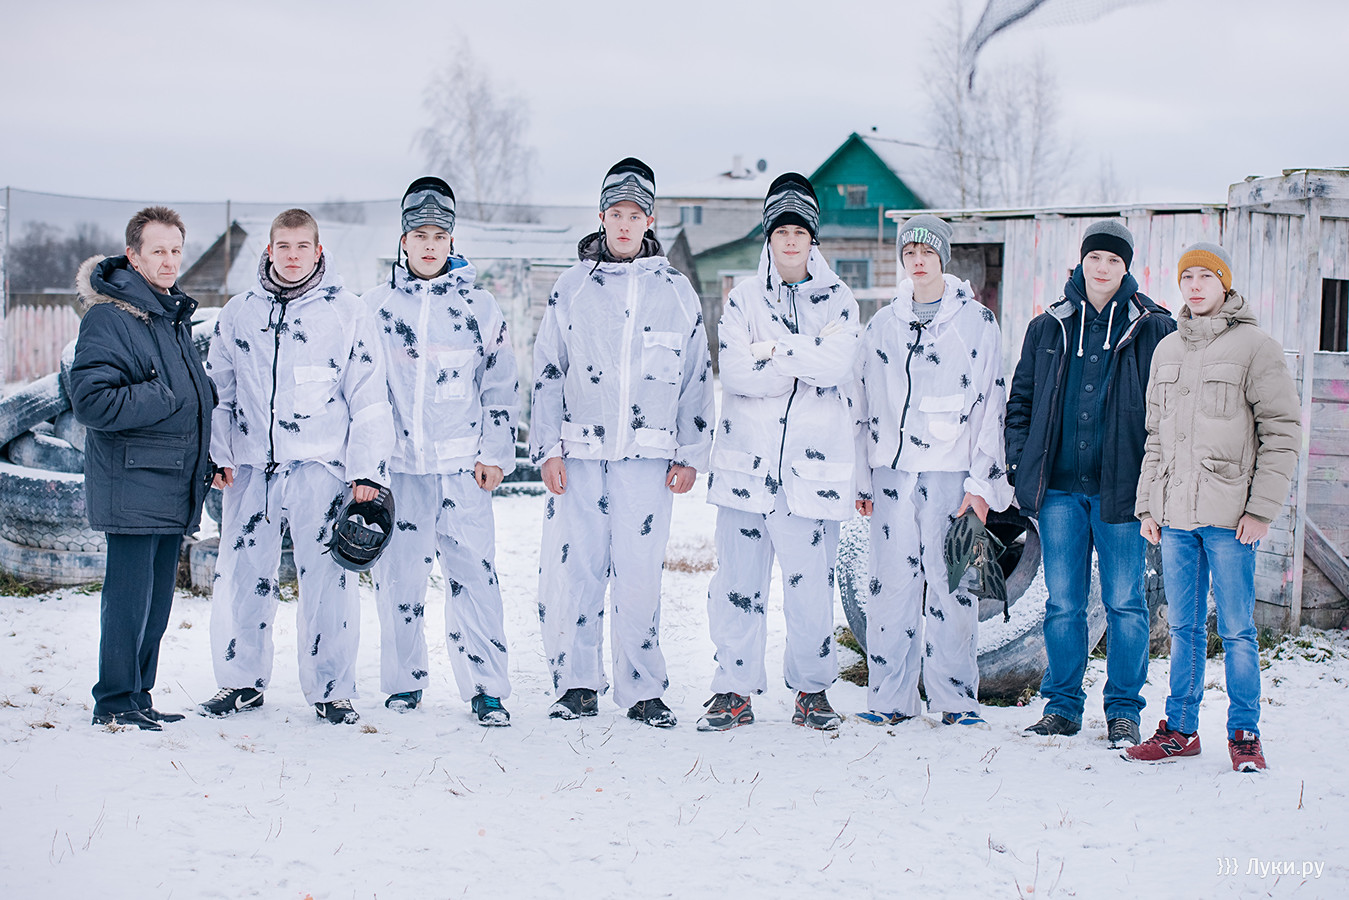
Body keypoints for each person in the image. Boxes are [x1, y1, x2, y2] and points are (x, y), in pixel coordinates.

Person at [531, 157, 714, 727]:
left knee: (639, 576)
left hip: (648, 459)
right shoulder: (572, 288)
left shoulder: (675, 291)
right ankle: (578, 683)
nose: (626, 224)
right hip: (581, 455)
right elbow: (548, 370)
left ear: (650, 219)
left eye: (636, 215)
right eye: (617, 214)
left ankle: (643, 689)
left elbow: (696, 373)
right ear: (602, 217)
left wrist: (690, 453)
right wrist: (548, 448)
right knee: (579, 572)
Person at [200, 208, 394, 725]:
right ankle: (240, 682)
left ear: (318, 250)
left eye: (301, 246)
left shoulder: (347, 312)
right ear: (269, 250)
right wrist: (219, 454)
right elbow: (219, 392)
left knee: (328, 579)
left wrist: (367, 470)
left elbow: (369, 395)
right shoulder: (238, 313)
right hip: (251, 469)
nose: (292, 256)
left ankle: (332, 690)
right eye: (282, 246)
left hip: (320, 467)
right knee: (243, 574)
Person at [1125, 243, 1300, 771]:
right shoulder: (1167, 350)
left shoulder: (1256, 347)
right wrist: (1148, 506)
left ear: (1224, 283)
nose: (1196, 286)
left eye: (1206, 276)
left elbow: (1282, 432)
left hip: (1231, 519)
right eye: (1188, 277)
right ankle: (1180, 729)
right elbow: (1155, 436)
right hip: (1175, 518)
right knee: (1183, 629)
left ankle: (1245, 732)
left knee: (1238, 630)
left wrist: (1261, 510)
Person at [696, 173, 859, 732]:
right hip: (746, 470)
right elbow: (737, 372)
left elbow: (838, 366)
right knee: (736, 586)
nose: (791, 241)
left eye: (800, 231)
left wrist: (773, 349)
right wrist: (804, 357)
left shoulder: (839, 300)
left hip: (811, 477)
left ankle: (812, 692)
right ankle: (733, 691)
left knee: (810, 589)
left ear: (813, 238)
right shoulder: (743, 298)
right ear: (769, 236)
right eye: (781, 231)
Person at [1005, 221, 1175, 748]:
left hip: (1121, 492)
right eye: (1094, 258)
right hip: (1058, 491)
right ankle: (1061, 706)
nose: (1102, 268)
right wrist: (1019, 463)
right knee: (1063, 604)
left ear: (1127, 268)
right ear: (1081, 262)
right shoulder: (1048, 326)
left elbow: (1169, 410)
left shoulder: (1153, 327)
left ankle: (1123, 710)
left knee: (1126, 603)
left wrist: (1157, 483)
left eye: (1113, 260)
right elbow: (1021, 401)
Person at [362, 177, 519, 725]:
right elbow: (363, 392)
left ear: (452, 241)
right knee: (398, 580)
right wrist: (368, 465)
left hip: (462, 470)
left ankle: (486, 689)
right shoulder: (376, 308)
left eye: (439, 235)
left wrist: (495, 453)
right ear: (403, 240)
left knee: (475, 577)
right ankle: (404, 683)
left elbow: (500, 385)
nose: (429, 245)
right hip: (399, 471)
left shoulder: (480, 306)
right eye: (419, 235)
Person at [853, 215, 1011, 728]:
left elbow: (991, 404)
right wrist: (862, 478)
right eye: (910, 252)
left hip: (950, 476)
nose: (918, 261)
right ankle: (890, 700)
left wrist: (982, 484)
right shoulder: (882, 324)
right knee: (890, 588)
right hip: (892, 477)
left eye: (927, 252)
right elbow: (861, 402)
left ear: (943, 256)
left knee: (953, 587)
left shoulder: (976, 322)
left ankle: (956, 701)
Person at [70, 207, 216, 731]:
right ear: (133, 256)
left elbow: (194, 398)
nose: (169, 261)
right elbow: (91, 401)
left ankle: (139, 695)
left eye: (176, 250)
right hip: (133, 481)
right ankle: (113, 700)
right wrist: (162, 395)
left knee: (155, 604)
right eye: (158, 251)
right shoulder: (110, 317)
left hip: (171, 478)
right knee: (129, 601)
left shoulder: (167, 315)